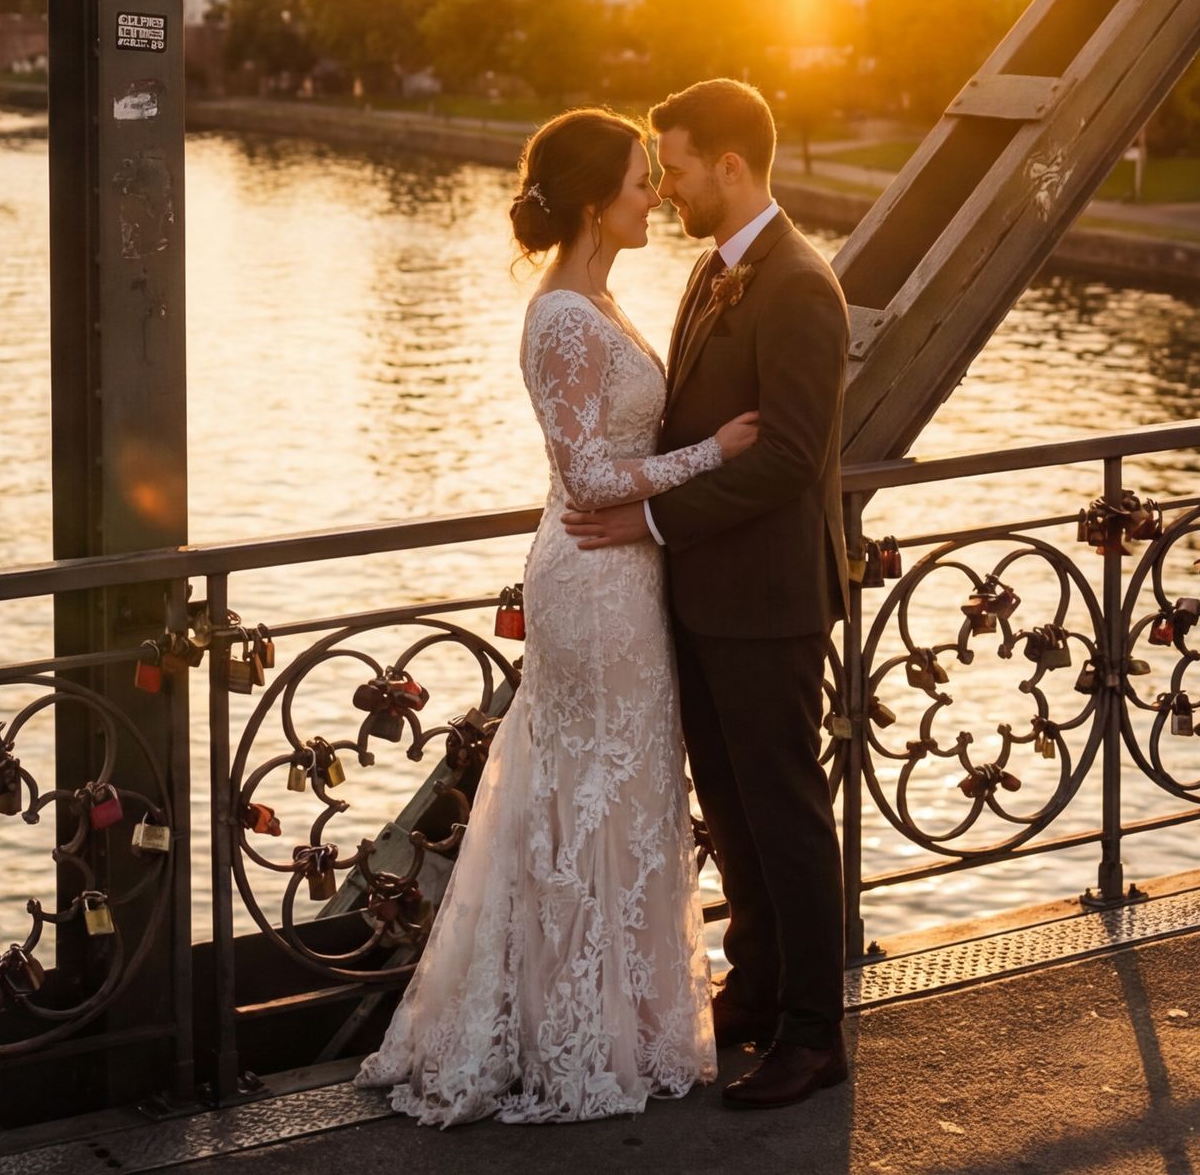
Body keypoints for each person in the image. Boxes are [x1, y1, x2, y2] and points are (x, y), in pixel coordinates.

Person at [356, 107, 759, 1125]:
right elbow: (585, 475)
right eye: (639, 180)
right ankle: (568, 1036)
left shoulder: (600, 300)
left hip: (626, 572)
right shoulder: (562, 319)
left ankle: (622, 1021)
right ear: (592, 201)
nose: (654, 195)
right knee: (585, 796)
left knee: (623, 792)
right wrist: (715, 452)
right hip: (590, 577)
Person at [564, 78, 851, 1110]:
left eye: (677, 167)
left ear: (730, 166)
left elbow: (789, 458)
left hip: (768, 602)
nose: (667, 185)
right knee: (732, 812)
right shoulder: (711, 270)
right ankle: (758, 987)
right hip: (704, 599)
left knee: (785, 812)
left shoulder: (801, 285)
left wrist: (650, 521)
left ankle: (815, 1034)